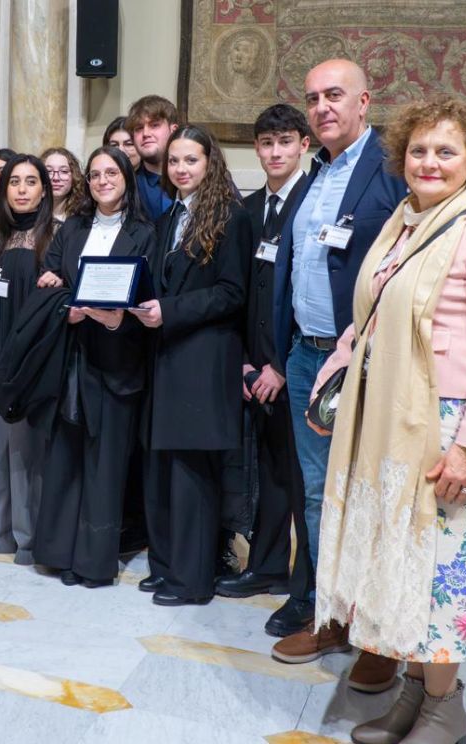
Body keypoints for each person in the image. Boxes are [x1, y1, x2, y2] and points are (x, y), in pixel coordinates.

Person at [310, 97, 466, 744]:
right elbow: (371, 321)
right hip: (387, 419)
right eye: (418, 150)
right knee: (407, 570)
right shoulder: (402, 223)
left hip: (447, 430)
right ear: (400, 158)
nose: (429, 161)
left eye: (446, 150)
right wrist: (334, 384)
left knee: (441, 573)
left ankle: (446, 710)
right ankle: (416, 693)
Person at [270, 59, 407, 690]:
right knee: (320, 491)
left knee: (374, 493)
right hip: (307, 357)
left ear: (364, 101)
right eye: (313, 98)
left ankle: (378, 633)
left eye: (334, 96)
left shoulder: (391, 168)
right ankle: (333, 616)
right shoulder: (316, 173)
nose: (322, 107)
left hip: (366, 362)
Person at [130, 125, 250, 605]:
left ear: (210, 163)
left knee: (192, 477)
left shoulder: (231, 217)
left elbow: (232, 293)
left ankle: (193, 581)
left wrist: (170, 311)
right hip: (166, 358)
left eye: (191, 161)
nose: (181, 169)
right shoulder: (171, 216)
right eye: (175, 161)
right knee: (163, 470)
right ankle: (166, 568)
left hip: (203, 360)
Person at [33, 145, 155, 587]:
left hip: (119, 357)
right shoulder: (72, 229)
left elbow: (151, 290)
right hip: (73, 354)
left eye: (112, 173)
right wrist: (67, 306)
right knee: (66, 455)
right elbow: (48, 280)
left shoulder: (145, 231)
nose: (103, 181)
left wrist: (121, 316)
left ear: (127, 178)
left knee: (105, 464)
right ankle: (58, 553)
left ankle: (92, 563)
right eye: (96, 174)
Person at [216, 104, 312, 630]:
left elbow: (313, 297)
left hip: (295, 367)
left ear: (302, 144)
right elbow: (242, 294)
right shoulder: (250, 209)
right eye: (266, 143)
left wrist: (279, 365)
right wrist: (247, 364)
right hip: (255, 369)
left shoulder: (312, 201)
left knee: (303, 483)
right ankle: (270, 565)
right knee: (271, 473)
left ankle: (307, 586)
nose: (275, 153)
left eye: (285, 143)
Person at [0, 154, 55, 564]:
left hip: (33, 361)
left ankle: (29, 539)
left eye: (31, 181)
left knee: (27, 453)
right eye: (14, 182)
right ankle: (1, 532)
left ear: (45, 189)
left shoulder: (55, 237)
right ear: (2, 189)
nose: (22, 189)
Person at [126, 95, 180, 221]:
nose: (145, 134)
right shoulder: (128, 187)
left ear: (173, 130)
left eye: (154, 125)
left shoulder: (203, 179)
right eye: (139, 128)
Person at [40, 147, 85, 224]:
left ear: (74, 176)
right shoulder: (29, 214)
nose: (56, 178)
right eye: (49, 171)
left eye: (64, 171)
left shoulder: (84, 217)